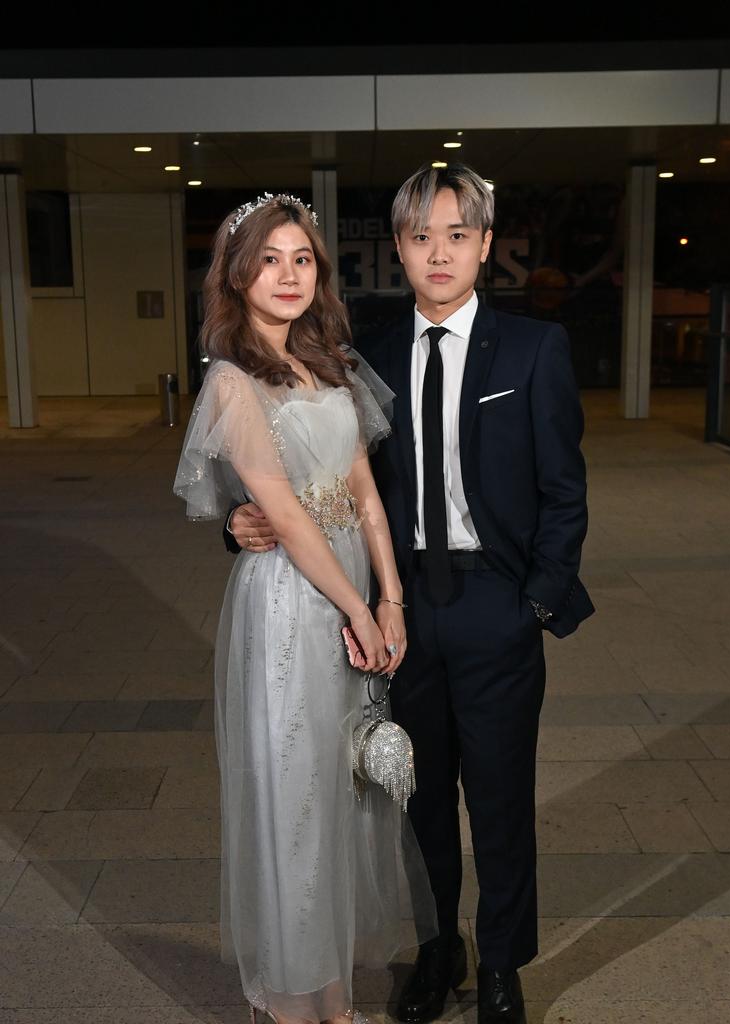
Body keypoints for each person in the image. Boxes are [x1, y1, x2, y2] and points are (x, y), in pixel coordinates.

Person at [226, 166, 595, 1024]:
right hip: (397, 609)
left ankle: (503, 964)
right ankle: (439, 952)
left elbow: (566, 493)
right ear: (397, 248)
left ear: (486, 247)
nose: (439, 252)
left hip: (495, 602)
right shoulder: (365, 358)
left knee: (499, 800)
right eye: (421, 236)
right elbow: (310, 479)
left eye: (458, 235)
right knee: (415, 798)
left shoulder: (536, 352)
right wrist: (241, 524)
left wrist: (534, 602)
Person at [173, 193, 437, 1024]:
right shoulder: (230, 380)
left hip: (352, 588)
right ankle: (291, 1005)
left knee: (342, 793)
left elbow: (362, 494)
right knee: (293, 799)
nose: (288, 275)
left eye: (302, 258)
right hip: (290, 606)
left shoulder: (332, 363)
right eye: (269, 259)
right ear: (238, 275)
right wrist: (358, 610)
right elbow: (283, 514)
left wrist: (390, 599)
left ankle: (335, 1000)